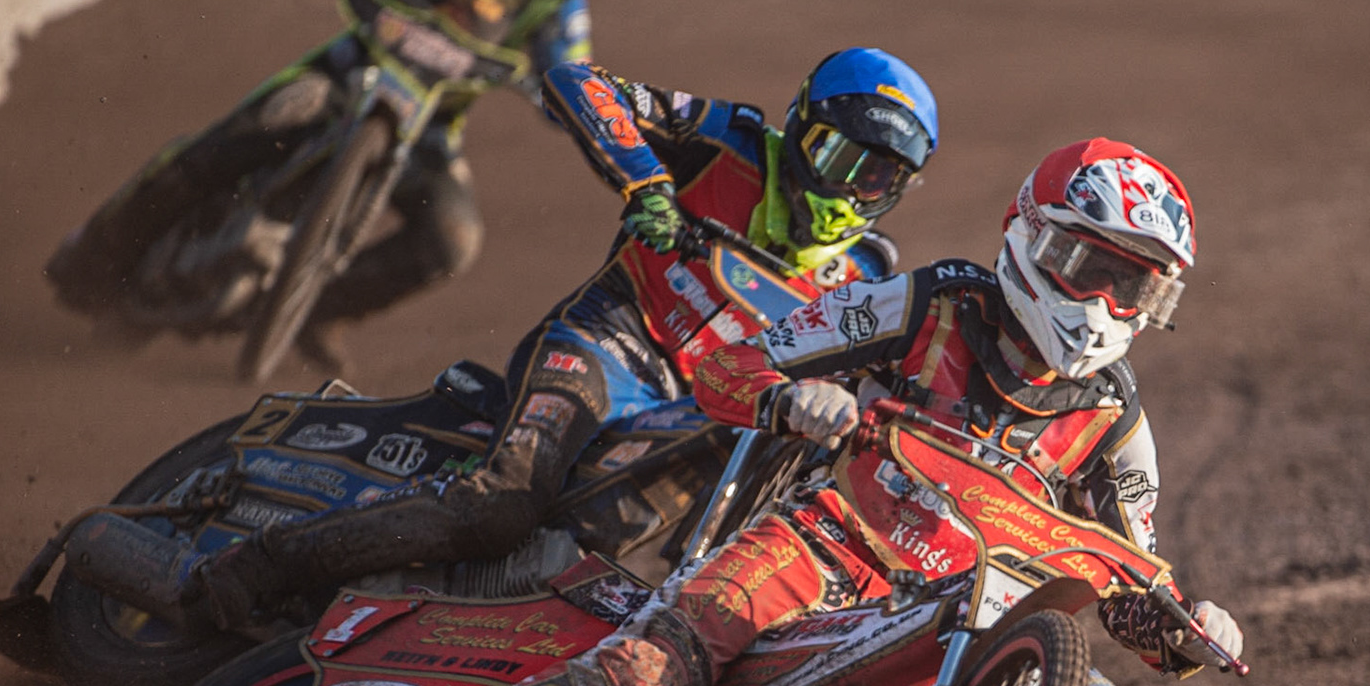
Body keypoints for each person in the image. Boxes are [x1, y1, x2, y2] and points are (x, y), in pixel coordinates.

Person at [266, 138, 1244, 686]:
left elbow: (1131, 574)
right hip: (818, 551)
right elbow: (733, 368)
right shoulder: (932, 301)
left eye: (1134, 287)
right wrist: (788, 401)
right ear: (1030, 237)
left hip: (944, 625)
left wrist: (1187, 626)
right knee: (643, 683)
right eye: (1091, 268)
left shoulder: (1115, 423)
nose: (1104, 305)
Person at [186, 45, 939, 628]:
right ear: (801, 127)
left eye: (878, 178)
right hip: (605, 346)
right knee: (501, 506)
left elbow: (895, 372)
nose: (851, 189)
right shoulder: (728, 138)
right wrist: (646, 183)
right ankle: (258, 567)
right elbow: (579, 82)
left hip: (703, 414)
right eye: (841, 158)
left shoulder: (867, 274)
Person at [48, 0, 589, 365]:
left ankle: (317, 312)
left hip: (429, 131)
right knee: (218, 149)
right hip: (342, 75)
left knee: (453, 242)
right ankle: (96, 255)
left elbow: (576, 77)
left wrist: (566, 106)